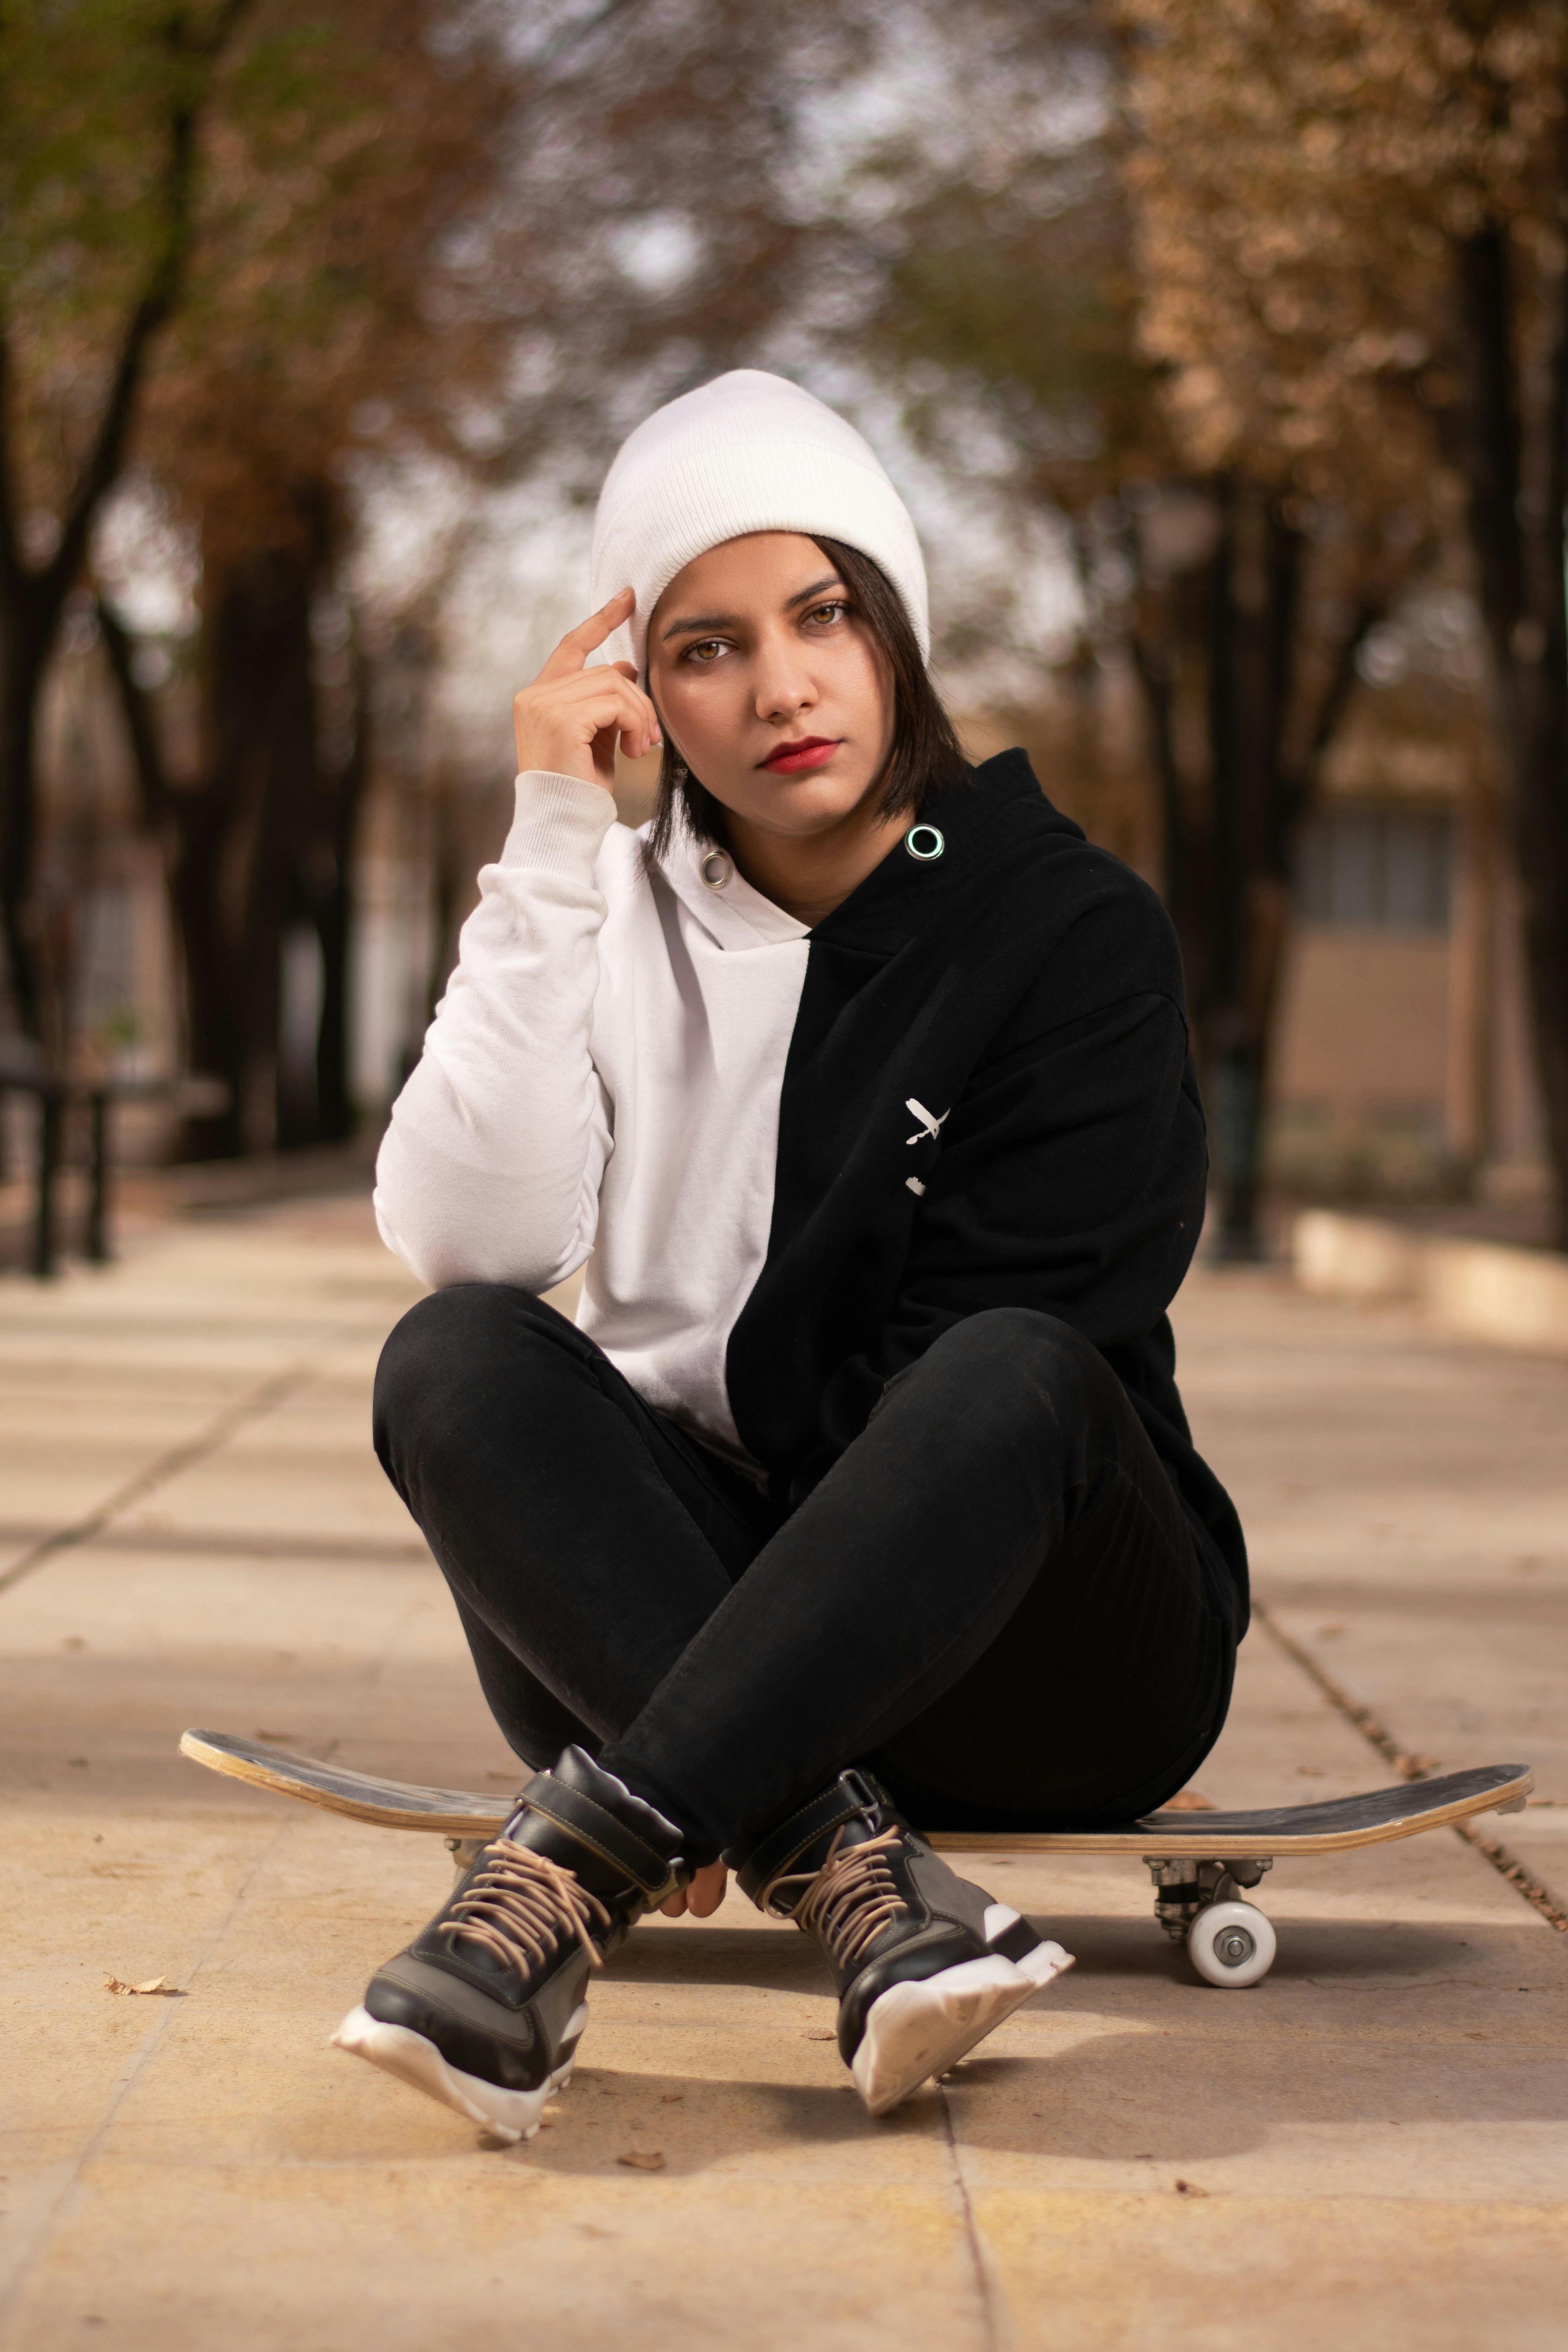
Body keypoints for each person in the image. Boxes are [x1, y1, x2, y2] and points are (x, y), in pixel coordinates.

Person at [333, 370, 1247, 2143]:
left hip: (1040, 1650)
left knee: (1005, 1364)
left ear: (888, 626)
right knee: (447, 1349)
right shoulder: (606, 903)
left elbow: (996, 1400)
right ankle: (858, 1882)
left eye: (821, 614)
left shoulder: (1060, 930)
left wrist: (693, 1722)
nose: (780, 686)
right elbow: (468, 1234)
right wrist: (545, 852)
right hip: (665, 1639)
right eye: (705, 645)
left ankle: (575, 1868)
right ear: (639, 686)